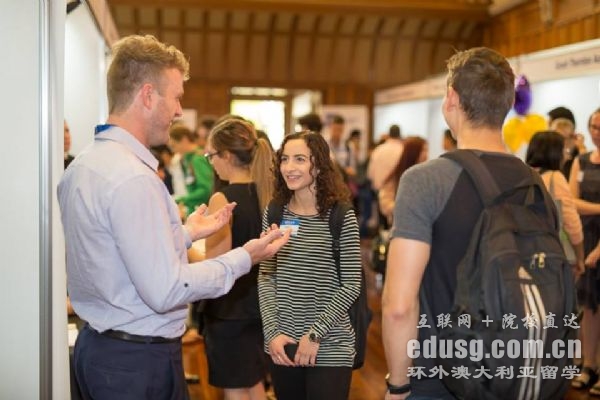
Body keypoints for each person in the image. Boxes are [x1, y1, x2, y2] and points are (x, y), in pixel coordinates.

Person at [57, 34, 290, 400]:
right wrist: (246, 256)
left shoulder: (85, 165)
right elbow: (167, 289)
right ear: (148, 96)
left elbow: (116, 251)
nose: (180, 111)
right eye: (177, 97)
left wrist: (185, 233)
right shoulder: (132, 178)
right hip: (137, 361)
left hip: (102, 349)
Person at [381, 47, 538, 399]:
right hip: (514, 370)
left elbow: (399, 306)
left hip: (439, 374)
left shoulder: (426, 180)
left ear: (451, 98)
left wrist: (398, 385)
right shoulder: (535, 183)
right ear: (507, 103)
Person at [258, 131, 362, 400]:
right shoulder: (275, 212)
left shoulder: (341, 216)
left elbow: (352, 284)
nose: (289, 167)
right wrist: (272, 333)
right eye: (284, 159)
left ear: (318, 165)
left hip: (329, 344)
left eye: (300, 159)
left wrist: (315, 334)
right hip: (283, 344)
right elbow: (267, 275)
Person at [202, 118, 274, 399]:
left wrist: (185, 246)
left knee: (235, 387)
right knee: (254, 382)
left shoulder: (223, 199)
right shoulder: (268, 193)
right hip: (262, 302)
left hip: (230, 308)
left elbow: (217, 264)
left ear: (228, 156)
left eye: (211, 156)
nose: (211, 163)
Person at [568, 107, 600, 394]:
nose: (596, 132)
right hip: (587, 236)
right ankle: (588, 364)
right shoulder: (581, 160)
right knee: (588, 308)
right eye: (594, 126)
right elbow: (571, 201)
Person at [525, 130, 585, 277]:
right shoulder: (555, 178)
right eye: (564, 150)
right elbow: (572, 223)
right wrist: (580, 257)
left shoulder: (523, 174)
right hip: (553, 255)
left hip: (525, 251)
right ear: (554, 153)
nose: (566, 155)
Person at [378, 136, 428, 226]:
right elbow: (385, 204)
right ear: (413, 152)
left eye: (427, 150)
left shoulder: (427, 175)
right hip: (401, 225)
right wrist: (407, 208)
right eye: (423, 150)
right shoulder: (398, 176)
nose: (426, 154)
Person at [169, 123, 214, 216]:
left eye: (174, 145)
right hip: (194, 210)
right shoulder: (187, 159)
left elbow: (206, 189)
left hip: (203, 211)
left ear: (184, 139)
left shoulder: (198, 159)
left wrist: (181, 199)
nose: (173, 150)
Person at [367, 124, 404, 191]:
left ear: (389, 135)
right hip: (397, 189)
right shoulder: (403, 150)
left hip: (379, 189)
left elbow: (370, 174)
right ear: (400, 135)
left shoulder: (378, 150)